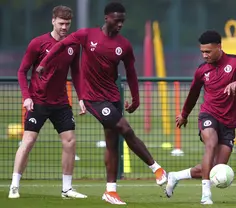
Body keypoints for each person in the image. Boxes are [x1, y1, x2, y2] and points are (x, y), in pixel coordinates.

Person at [36, 2, 167, 205]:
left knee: (112, 143)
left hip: (113, 97)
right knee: (125, 128)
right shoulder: (86, 35)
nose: (121, 24)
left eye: (123, 21)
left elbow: (131, 72)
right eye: (117, 20)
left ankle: (110, 191)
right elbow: (61, 45)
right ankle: (156, 168)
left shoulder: (124, 45)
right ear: (107, 18)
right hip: (93, 98)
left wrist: (136, 98)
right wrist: (44, 63)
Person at [167, 30, 236, 204]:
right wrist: (184, 114)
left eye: (208, 51)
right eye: (202, 51)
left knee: (215, 168)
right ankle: (205, 194)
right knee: (210, 143)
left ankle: (175, 176)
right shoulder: (201, 71)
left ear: (219, 47)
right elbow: (193, 94)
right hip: (208, 114)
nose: (204, 55)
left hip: (230, 121)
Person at [9, 6, 87, 199]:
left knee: (70, 141)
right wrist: (26, 97)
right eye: (61, 23)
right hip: (38, 102)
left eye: (67, 24)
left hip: (61, 102)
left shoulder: (73, 45)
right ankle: (14, 185)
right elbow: (21, 71)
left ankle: (67, 189)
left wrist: (82, 97)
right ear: (53, 21)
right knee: (28, 141)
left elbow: (76, 73)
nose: (64, 27)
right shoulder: (38, 43)